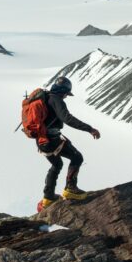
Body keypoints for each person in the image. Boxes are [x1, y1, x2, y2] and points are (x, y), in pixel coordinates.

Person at [38, 76, 101, 208]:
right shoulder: (57, 100)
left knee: (56, 165)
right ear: (63, 91)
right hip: (52, 140)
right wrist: (89, 129)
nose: (66, 96)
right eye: (66, 94)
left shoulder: (46, 97)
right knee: (77, 157)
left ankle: (48, 198)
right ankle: (70, 190)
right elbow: (67, 119)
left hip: (41, 140)